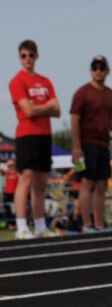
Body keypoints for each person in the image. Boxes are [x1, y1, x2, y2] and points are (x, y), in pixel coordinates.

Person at [9, 40, 60, 239]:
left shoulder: (46, 81)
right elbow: (28, 111)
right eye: (23, 55)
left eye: (31, 55)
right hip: (26, 135)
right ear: (19, 58)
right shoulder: (17, 81)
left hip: (45, 135)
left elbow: (58, 110)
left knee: (41, 182)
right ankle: (21, 227)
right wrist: (46, 107)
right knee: (26, 179)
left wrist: (41, 107)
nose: (27, 59)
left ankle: (40, 226)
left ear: (37, 56)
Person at [70, 55, 112, 233]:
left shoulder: (109, 93)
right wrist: (77, 147)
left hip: (103, 145)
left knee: (102, 184)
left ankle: (99, 224)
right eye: (95, 68)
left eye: (101, 68)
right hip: (86, 144)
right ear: (90, 71)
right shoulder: (82, 92)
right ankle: (86, 225)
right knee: (87, 182)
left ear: (107, 71)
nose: (98, 71)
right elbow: (74, 119)